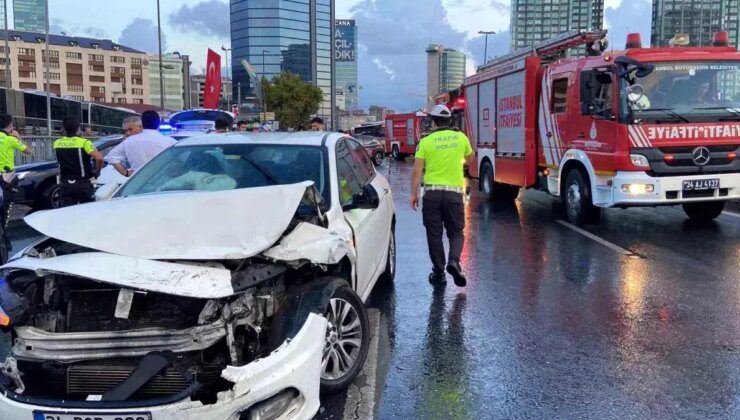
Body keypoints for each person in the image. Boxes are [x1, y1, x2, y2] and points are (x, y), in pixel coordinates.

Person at [410, 105, 474, 287]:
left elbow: (416, 171)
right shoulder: (461, 138)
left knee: (434, 234)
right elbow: (470, 159)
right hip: (454, 194)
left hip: (432, 194)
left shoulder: (426, 142)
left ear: (432, 121)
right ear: (449, 120)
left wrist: (413, 194)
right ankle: (454, 261)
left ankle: (439, 272)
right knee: (456, 232)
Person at [106, 111, 176, 177]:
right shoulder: (170, 141)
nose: (127, 132)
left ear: (142, 123)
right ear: (158, 123)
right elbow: (183, 159)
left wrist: (126, 173)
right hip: (163, 182)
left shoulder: (129, 141)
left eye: (130, 129)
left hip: (139, 183)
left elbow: (111, 157)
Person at [53, 116, 104, 207]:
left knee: (66, 212)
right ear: (78, 128)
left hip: (65, 183)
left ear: (64, 128)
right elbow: (99, 158)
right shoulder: (85, 142)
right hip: (82, 183)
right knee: (86, 212)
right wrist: (97, 172)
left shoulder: (57, 143)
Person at [0, 114, 32, 225]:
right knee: (6, 204)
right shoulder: (11, 139)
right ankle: (4, 228)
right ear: (10, 125)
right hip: (6, 177)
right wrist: (18, 137)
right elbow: (28, 151)